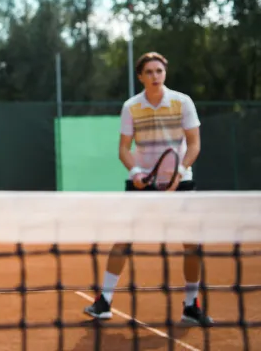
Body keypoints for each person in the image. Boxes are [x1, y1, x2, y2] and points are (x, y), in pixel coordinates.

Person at [83, 52, 214, 327]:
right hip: (142, 182)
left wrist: (179, 172)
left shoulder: (183, 102)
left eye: (159, 71)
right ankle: (104, 302)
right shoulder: (131, 107)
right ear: (141, 77)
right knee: (123, 240)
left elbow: (194, 144)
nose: (155, 76)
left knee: (192, 244)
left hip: (181, 181)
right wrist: (135, 173)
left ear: (165, 73)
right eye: (150, 72)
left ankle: (191, 305)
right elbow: (124, 149)